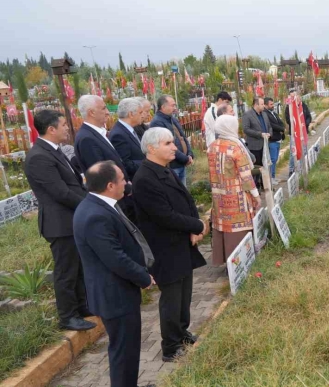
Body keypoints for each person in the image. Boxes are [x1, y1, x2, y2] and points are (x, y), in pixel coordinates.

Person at [73, 161, 155, 387]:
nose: (126, 183)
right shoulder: (94, 216)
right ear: (110, 185)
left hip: (117, 293)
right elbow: (115, 258)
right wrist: (143, 277)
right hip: (114, 296)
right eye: (122, 179)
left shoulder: (99, 205)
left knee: (127, 350)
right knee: (123, 352)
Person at [132, 127, 207, 362]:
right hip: (165, 247)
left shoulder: (164, 170)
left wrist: (195, 225)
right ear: (152, 148)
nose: (175, 147)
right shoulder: (144, 178)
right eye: (168, 143)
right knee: (172, 298)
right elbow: (164, 215)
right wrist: (196, 226)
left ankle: (182, 332)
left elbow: (185, 200)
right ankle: (170, 346)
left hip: (180, 243)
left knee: (184, 294)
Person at [25, 110, 94, 331]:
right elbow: (61, 193)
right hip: (60, 224)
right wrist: (89, 205)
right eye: (63, 124)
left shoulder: (53, 151)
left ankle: (82, 307)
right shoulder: (39, 157)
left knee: (79, 267)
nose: (68, 127)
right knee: (66, 271)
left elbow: (73, 183)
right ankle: (67, 316)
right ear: (51, 129)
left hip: (71, 219)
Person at [208, 115, 261, 265]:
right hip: (237, 198)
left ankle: (225, 261)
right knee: (237, 232)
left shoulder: (212, 146)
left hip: (219, 197)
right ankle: (240, 264)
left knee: (223, 226)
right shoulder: (235, 146)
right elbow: (246, 176)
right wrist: (256, 195)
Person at [74, 95, 135, 220]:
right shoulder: (87, 138)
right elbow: (102, 172)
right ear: (91, 112)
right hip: (114, 198)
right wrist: (127, 188)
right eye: (103, 108)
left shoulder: (97, 133)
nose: (107, 112)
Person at [150, 95, 193, 185]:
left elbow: (183, 137)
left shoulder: (172, 119)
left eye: (175, 105)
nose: (175, 108)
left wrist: (189, 154)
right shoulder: (157, 122)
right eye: (172, 105)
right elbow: (167, 145)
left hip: (181, 163)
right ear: (163, 107)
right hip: (172, 165)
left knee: (183, 192)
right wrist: (185, 159)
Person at [110, 98, 145, 179]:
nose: (142, 115)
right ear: (131, 114)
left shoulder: (130, 129)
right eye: (140, 112)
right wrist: (150, 163)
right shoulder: (118, 135)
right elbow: (125, 164)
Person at [242, 97, 272, 166]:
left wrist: (269, 134)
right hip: (255, 147)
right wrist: (260, 134)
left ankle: (267, 177)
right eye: (262, 104)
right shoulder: (247, 114)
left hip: (265, 145)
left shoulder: (264, 114)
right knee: (258, 168)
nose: (264, 105)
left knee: (266, 166)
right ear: (256, 105)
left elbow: (269, 126)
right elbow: (246, 129)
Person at [264, 97, 285, 186]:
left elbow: (280, 123)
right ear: (265, 105)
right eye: (271, 104)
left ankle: (273, 176)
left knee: (275, 159)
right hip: (272, 140)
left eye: (273, 104)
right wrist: (281, 128)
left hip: (278, 139)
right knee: (272, 159)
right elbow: (272, 125)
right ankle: (271, 178)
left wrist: (282, 127)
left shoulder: (274, 113)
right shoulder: (265, 114)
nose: (273, 106)